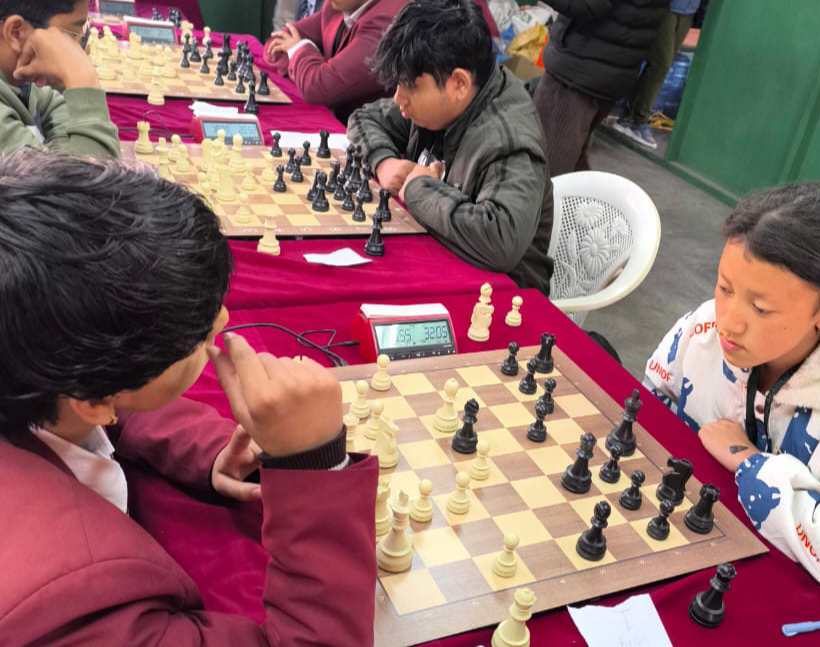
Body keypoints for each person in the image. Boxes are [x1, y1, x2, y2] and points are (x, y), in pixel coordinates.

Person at [0, 151, 377, 645]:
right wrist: (316, 462)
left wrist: (207, 449)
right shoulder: (64, 611)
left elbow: (97, 395)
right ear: (95, 399)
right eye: (197, 339)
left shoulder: (36, 364)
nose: (222, 323)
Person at [644, 181, 820, 607]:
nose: (729, 321)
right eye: (724, 287)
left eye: (760, 308)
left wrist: (748, 461)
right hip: (684, 542)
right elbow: (650, 405)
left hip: (788, 599)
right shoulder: (705, 329)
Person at [347, 0, 554, 293]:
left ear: (459, 83)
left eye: (410, 86)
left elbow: (501, 240)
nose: (398, 98)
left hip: (501, 296)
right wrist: (384, 162)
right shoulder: (438, 101)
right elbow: (363, 118)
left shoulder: (509, 140)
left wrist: (419, 190)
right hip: (438, 261)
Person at [533, 0, 668, 178]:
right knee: (569, 162)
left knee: (546, 166)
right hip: (604, 67)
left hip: (579, 71)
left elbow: (588, 5)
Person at [0, 0, 119, 156]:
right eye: (71, 36)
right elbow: (95, 170)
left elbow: (67, 165)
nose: (78, 51)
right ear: (16, 33)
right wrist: (83, 80)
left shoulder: (27, 87)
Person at [263, 0, 406, 122]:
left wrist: (299, 52)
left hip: (368, 133)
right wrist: (305, 65)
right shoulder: (336, 6)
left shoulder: (386, 21)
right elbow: (275, 47)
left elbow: (317, 87)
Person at [613, 0, 702, 149]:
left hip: (689, 10)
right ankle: (639, 119)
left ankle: (629, 117)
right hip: (665, 7)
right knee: (661, 64)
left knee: (660, 65)